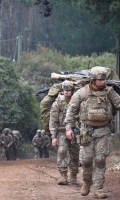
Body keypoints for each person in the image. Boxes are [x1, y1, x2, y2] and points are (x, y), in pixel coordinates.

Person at [64, 66, 120, 198]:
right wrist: (68, 128)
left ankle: (98, 189)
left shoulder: (110, 92)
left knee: (100, 160)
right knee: (87, 160)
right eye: (100, 80)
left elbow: (118, 104)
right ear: (93, 80)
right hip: (86, 131)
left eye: (104, 79)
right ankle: (86, 182)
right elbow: (71, 111)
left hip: (104, 130)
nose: (103, 82)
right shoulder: (82, 93)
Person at [49, 80, 79, 185]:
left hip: (76, 130)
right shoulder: (58, 102)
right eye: (65, 90)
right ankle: (63, 175)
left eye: (69, 90)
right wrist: (53, 136)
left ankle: (74, 176)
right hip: (61, 131)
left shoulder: (77, 100)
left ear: (72, 90)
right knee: (62, 151)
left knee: (75, 153)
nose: (67, 92)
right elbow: (53, 120)